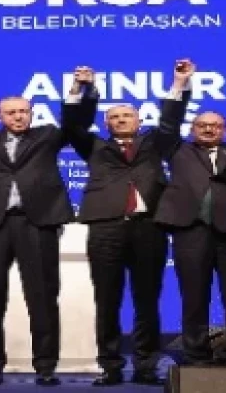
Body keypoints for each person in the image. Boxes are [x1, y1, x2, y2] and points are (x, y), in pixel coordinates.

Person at [0, 67, 90, 386]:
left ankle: (45, 366)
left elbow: (74, 123)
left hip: (37, 222)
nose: (18, 117)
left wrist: (76, 90)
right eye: (11, 112)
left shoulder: (47, 136)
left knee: (42, 296)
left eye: (23, 111)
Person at [64, 62, 185, 387]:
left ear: (139, 120)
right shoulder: (94, 146)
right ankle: (110, 366)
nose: (121, 120)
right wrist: (81, 89)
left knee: (147, 300)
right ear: (106, 123)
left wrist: (178, 83)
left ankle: (146, 365)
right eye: (114, 117)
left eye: (127, 116)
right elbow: (72, 125)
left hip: (149, 227)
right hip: (106, 226)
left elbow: (171, 120)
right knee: (107, 300)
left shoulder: (154, 143)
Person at [153, 60, 226, 368]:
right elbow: (168, 123)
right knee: (194, 297)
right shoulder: (177, 149)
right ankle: (195, 355)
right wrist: (179, 84)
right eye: (202, 125)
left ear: (225, 130)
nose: (209, 129)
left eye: (215, 126)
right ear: (192, 129)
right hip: (191, 231)